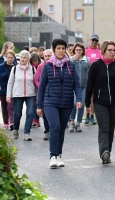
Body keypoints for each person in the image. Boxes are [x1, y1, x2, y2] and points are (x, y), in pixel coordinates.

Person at [37, 39, 82, 169]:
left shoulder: (71, 65)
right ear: (54, 50)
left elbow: (76, 84)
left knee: (62, 129)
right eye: (58, 48)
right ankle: (52, 156)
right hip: (50, 102)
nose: (61, 51)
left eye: (63, 48)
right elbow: (42, 86)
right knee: (55, 127)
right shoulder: (48, 65)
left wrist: (78, 99)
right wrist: (39, 105)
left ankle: (59, 155)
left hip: (67, 102)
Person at [85, 40, 115, 164]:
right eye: (110, 50)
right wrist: (87, 101)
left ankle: (107, 153)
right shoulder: (95, 66)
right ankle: (104, 151)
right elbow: (90, 84)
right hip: (100, 102)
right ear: (103, 51)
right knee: (104, 127)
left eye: (114, 50)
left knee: (111, 128)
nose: (113, 52)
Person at [6, 50, 36, 141]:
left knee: (30, 113)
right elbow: (10, 83)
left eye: (24, 57)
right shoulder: (14, 69)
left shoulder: (33, 69)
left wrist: (38, 96)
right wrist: (8, 95)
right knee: (17, 114)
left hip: (30, 94)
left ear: (28, 59)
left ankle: (27, 133)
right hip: (17, 94)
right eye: (21, 57)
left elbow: (36, 83)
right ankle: (16, 129)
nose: (22, 59)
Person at [68, 43, 90, 132]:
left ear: (83, 51)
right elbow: (68, 69)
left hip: (83, 86)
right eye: (77, 50)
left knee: (82, 104)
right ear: (74, 50)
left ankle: (78, 123)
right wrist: (74, 59)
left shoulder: (86, 60)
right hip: (72, 86)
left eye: (80, 50)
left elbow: (90, 71)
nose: (78, 52)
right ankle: (72, 121)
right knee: (73, 104)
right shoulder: (70, 59)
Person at [0, 50, 16, 130]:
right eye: (8, 57)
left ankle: (12, 122)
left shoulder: (16, 66)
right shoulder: (1, 66)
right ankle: (6, 122)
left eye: (11, 58)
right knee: (4, 107)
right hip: (3, 89)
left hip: (13, 90)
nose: (10, 59)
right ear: (6, 58)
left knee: (11, 106)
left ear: (14, 58)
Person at [34, 49, 53, 140]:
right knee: (45, 113)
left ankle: (54, 130)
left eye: (49, 56)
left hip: (54, 92)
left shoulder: (55, 65)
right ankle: (47, 131)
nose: (47, 57)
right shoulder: (41, 66)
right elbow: (36, 79)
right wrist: (42, 86)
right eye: (46, 56)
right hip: (44, 93)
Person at [85, 34, 102, 125]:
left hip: (97, 78)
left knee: (94, 97)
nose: (94, 42)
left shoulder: (100, 52)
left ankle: (92, 116)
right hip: (87, 77)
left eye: (96, 40)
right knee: (88, 96)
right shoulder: (86, 51)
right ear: (90, 40)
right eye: (93, 40)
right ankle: (87, 115)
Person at [30, 53, 42, 128]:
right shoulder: (30, 68)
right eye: (33, 61)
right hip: (32, 88)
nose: (35, 63)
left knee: (37, 105)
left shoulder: (40, 67)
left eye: (36, 61)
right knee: (32, 105)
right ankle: (32, 119)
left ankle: (36, 120)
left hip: (38, 88)